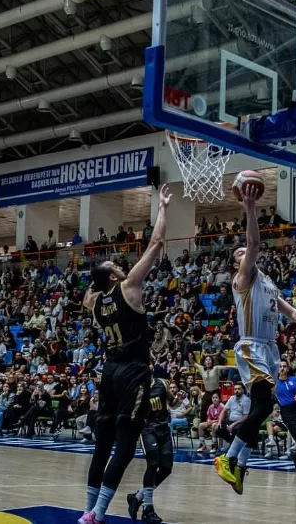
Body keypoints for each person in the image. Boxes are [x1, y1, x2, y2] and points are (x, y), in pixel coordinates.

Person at [214, 184, 296, 495]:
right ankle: (230, 458)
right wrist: (249, 207)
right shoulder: (243, 278)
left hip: (271, 350)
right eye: (239, 254)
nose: (244, 253)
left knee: (261, 409)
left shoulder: (270, 284)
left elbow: (292, 315)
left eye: (243, 252)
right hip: (251, 346)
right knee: (261, 408)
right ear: (239, 262)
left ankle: (240, 467)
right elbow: (254, 242)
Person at [78, 185, 172, 524]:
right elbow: (156, 244)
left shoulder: (93, 304)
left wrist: (98, 277)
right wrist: (161, 208)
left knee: (101, 446)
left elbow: (91, 288)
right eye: (115, 265)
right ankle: (98, 514)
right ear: (115, 276)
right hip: (132, 372)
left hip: (109, 373)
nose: (121, 265)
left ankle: (87, 509)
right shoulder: (129, 287)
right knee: (126, 447)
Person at [126, 376, 174, 524]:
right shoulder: (136, 387)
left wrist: (177, 397)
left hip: (164, 429)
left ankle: (137, 497)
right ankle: (148, 509)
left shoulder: (163, 383)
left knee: (166, 468)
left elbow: (171, 402)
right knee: (153, 464)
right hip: (148, 430)